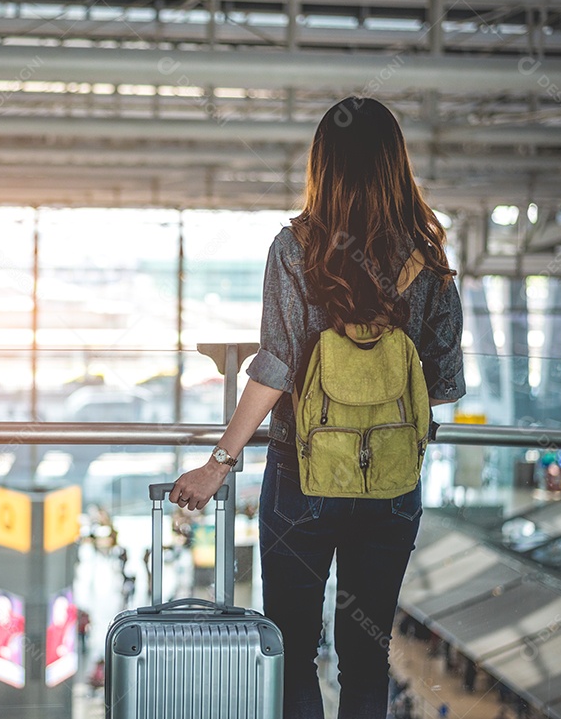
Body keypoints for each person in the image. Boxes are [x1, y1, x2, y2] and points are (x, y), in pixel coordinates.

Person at [171, 97, 465, 719]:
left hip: (302, 476)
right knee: (365, 658)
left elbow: (274, 367)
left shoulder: (296, 247)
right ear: (396, 163)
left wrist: (217, 463)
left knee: (292, 649)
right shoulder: (429, 257)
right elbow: (441, 384)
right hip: (390, 482)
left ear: (322, 163)